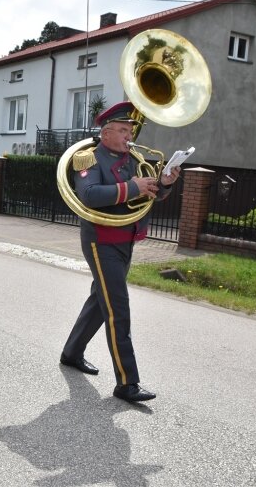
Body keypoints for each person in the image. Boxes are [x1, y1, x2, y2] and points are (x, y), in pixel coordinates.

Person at [59, 101, 181, 403]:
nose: (130, 136)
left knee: (101, 302)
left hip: (126, 239)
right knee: (118, 308)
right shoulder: (88, 158)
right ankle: (127, 383)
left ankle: (71, 352)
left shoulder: (133, 160)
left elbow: (151, 192)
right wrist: (132, 187)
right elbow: (89, 196)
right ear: (107, 131)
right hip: (101, 240)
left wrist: (164, 183)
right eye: (125, 130)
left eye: (131, 130)